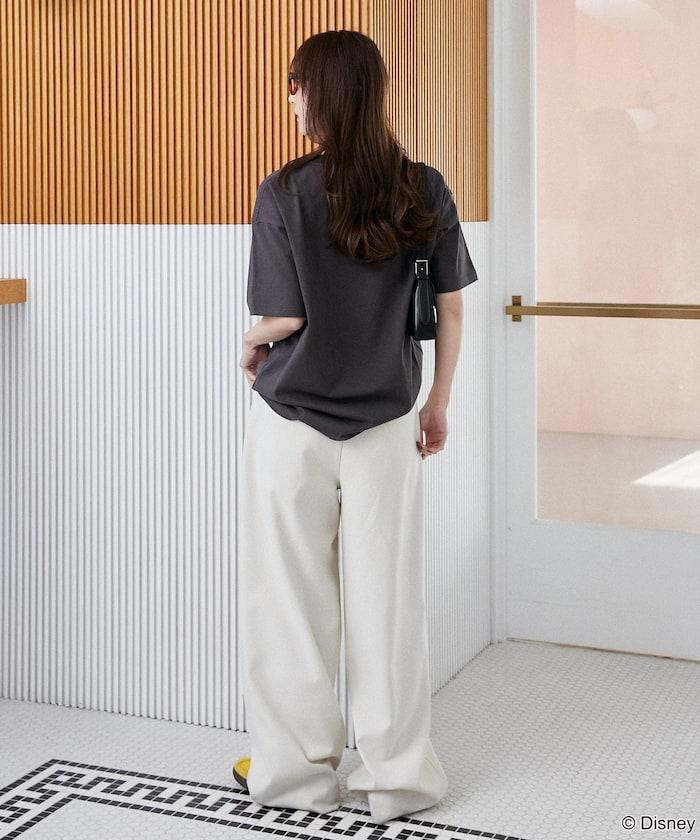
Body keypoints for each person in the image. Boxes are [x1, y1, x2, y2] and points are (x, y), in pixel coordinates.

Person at [233, 30, 478, 825]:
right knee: (388, 607)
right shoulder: (423, 188)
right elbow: (449, 310)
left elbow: (285, 317)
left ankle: (295, 777)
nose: (292, 98)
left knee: (291, 606)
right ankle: (396, 781)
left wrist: (250, 342)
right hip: (386, 425)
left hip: (292, 424)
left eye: (296, 83)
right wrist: (437, 401)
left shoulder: (285, 190)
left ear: (320, 91)